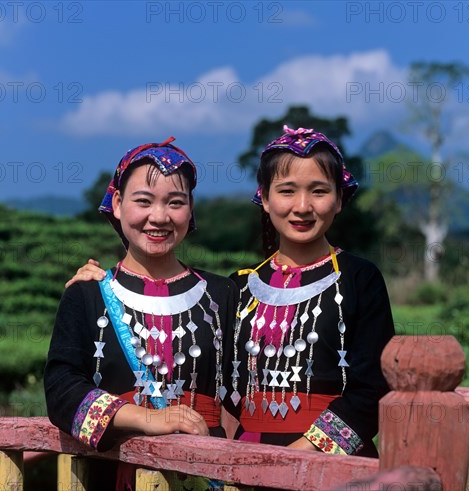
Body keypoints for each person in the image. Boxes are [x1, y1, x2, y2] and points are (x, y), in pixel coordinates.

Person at [67, 126, 395, 459]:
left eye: (320, 191)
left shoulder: (359, 279)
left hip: (329, 464)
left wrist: (301, 455)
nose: (302, 206)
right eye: (286, 191)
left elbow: (373, 388)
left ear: (340, 199)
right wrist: (104, 288)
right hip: (243, 460)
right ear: (264, 198)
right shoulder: (236, 288)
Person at [44, 138, 236, 489]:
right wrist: (148, 418)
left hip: (203, 476)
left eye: (175, 203)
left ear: (190, 209)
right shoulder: (87, 295)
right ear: (117, 204)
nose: (159, 217)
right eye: (143, 201)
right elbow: (61, 393)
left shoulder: (224, 295)